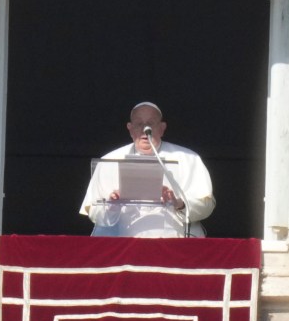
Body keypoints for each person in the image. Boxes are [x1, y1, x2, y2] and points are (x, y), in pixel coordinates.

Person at [79, 102, 216, 238]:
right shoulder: (109, 161)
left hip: (173, 246)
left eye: (151, 123)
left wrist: (179, 203)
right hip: (125, 247)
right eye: (139, 124)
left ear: (162, 128)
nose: (145, 129)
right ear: (130, 128)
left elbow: (206, 205)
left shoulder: (188, 158)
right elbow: (94, 211)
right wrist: (112, 205)